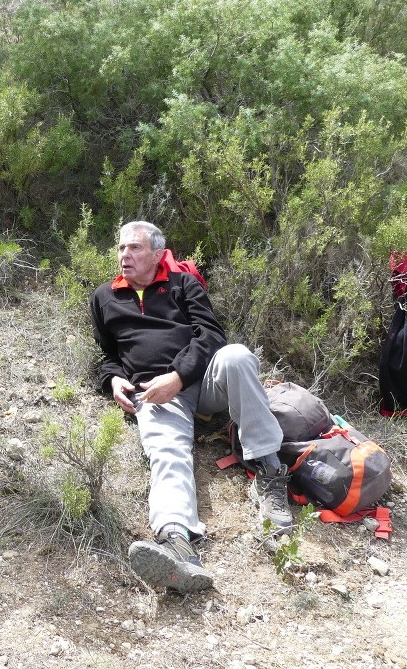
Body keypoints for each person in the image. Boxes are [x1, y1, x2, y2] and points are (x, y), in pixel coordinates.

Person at [90, 221, 293, 594]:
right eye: (120, 248)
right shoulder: (104, 297)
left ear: (156, 253)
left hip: (203, 382)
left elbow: (212, 335)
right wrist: (114, 380)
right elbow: (109, 355)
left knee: (237, 356)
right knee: (167, 453)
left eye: (134, 249)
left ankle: (269, 469)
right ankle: (178, 544)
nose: (124, 256)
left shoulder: (183, 284)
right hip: (153, 392)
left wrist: (179, 377)